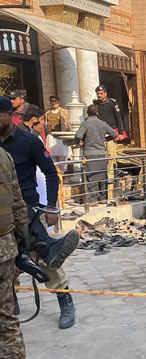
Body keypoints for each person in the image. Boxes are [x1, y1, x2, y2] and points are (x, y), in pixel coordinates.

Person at [0, 96, 79, 329]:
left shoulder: (29, 142)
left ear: (8, 115)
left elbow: (51, 173)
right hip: (2, 213)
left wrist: (52, 206)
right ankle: (9, 303)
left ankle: (65, 300)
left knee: (44, 258)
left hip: (28, 210)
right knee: (6, 261)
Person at [0, 144, 30, 359]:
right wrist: (24, 247)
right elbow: (19, 204)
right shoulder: (4, 155)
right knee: (6, 319)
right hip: (5, 249)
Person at [75, 104, 119, 205]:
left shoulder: (85, 124)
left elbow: (78, 135)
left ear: (87, 113)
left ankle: (92, 200)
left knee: (91, 177)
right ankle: (103, 199)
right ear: (97, 113)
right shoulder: (102, 123)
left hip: (89, 154)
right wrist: (105, 139)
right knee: (102, 176)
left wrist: (80, 141)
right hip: (100, 153)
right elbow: (115, 134)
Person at [94, 85, 127, 201]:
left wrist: (121, 133)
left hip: (112, 133)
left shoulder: (112, 103)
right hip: (100, 134)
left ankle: (110, 184)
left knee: (111, 159)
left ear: (106, 93)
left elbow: (118, 118)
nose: (99, 95)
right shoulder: (95, 104)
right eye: (98, 93)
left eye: (101, 93)